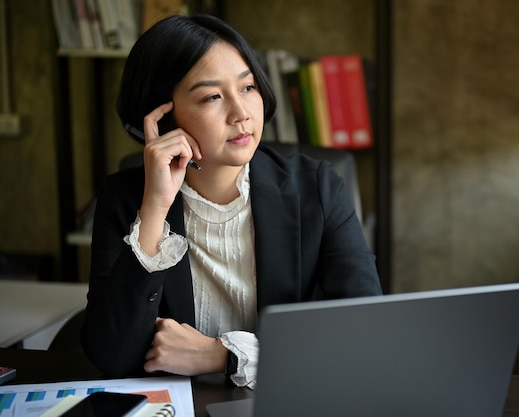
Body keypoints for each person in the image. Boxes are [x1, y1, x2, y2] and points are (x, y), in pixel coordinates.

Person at [80, 13, 382, 389]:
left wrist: (224, 355)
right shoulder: (126, 199)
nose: (241, 114)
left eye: (248, 88)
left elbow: (365, 335)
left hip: (287, 399)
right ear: (163, 116)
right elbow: (112, 355)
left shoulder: (317, 188)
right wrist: (155, 210)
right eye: (212, 96)